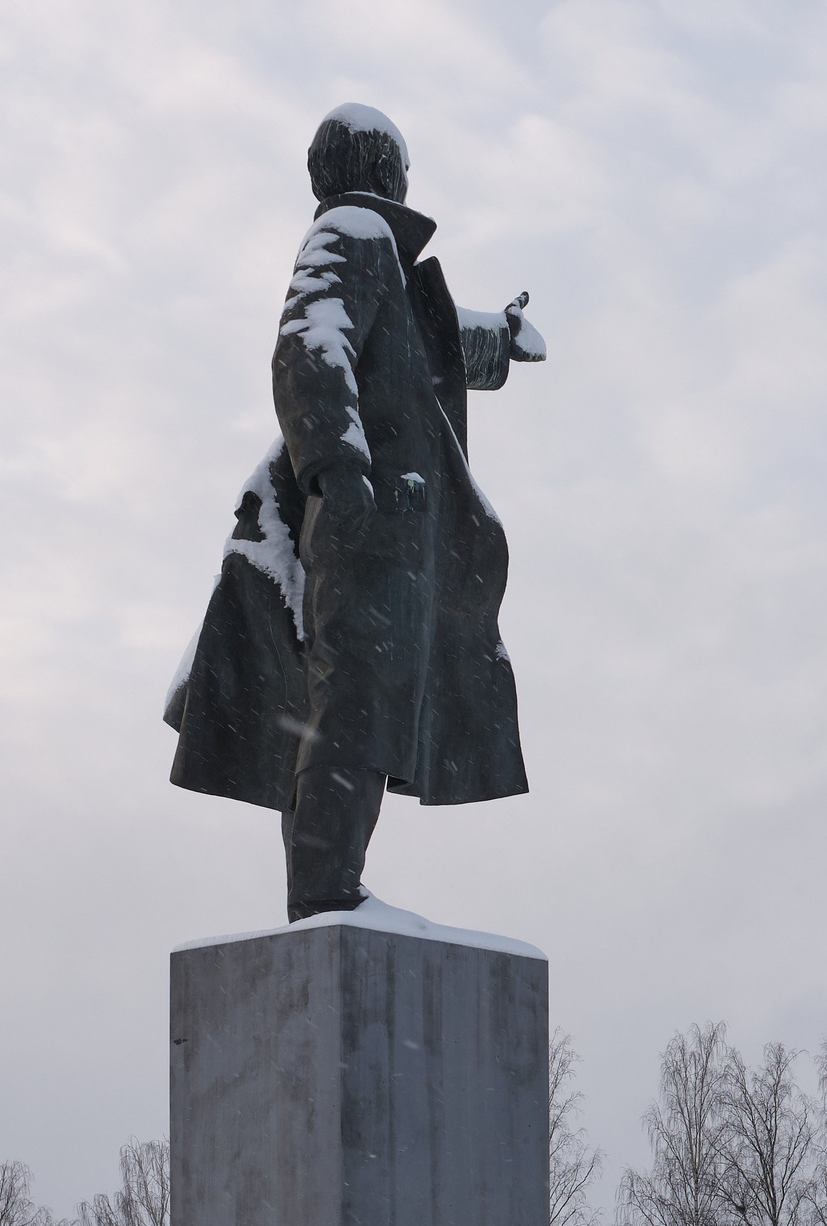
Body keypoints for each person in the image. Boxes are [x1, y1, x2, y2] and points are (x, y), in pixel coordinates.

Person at [165, 103, 545, 919]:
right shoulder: (355, 232)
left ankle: (327, 884)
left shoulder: (379, 259)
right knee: (355, 706)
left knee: (349, 708)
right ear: (380, 172)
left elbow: (426, 335)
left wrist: (499, 336)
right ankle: (325, 886)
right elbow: (312, 342)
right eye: (400, 168)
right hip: (368, 516)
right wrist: (340, 468)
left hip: (382, 517)